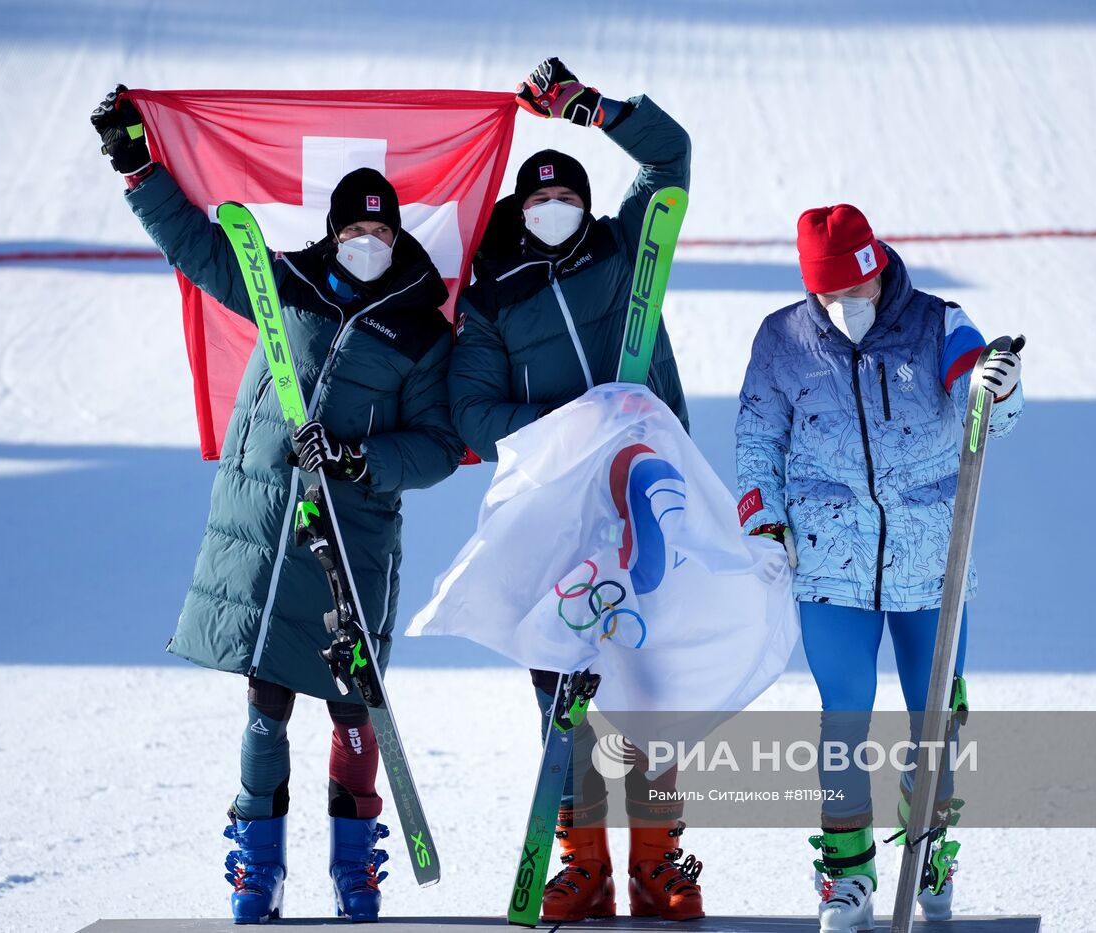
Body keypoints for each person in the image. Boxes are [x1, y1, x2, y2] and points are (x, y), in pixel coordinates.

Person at [91, 85, 464, 924]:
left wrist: (359, 458)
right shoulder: (280, 285)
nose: (366, 241)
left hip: (352, 536)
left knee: (352, 705)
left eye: (380, 228)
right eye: (353, 228)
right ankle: (257, 865)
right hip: (269, 529)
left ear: (397, 233)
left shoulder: (421, 331)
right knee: (265, 699)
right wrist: (137, 166)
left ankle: (354, 865)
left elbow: (439, 445)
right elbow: (196, 245)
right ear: (333, 232)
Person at [447, 59, 702, 922]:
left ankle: (659, 861)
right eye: (537, 203)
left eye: (565, 199)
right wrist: (577, 419)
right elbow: (472, 413)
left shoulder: (623, 251)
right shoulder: (492, 298)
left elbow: (670, 160)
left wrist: (590, 109)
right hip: (552, 515)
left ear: (583, 207)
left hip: (644, 498)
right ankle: (583, 863)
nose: (552, 213)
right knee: (567, 691)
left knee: (650, 684)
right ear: (520, 212)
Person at [734, 204, 1023, 931]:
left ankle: (931, 845)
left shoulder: (938, 321)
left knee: (936, 721)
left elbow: (984, 399)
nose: (846, 309)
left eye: (857, 294)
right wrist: (763, 521)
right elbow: (756, 437)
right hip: (833, 566)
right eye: (829, 297)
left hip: (932, 565)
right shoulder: (782, 339)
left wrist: (999, 384)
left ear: (878, 272)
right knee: (843, 721)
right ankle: (847, 874)